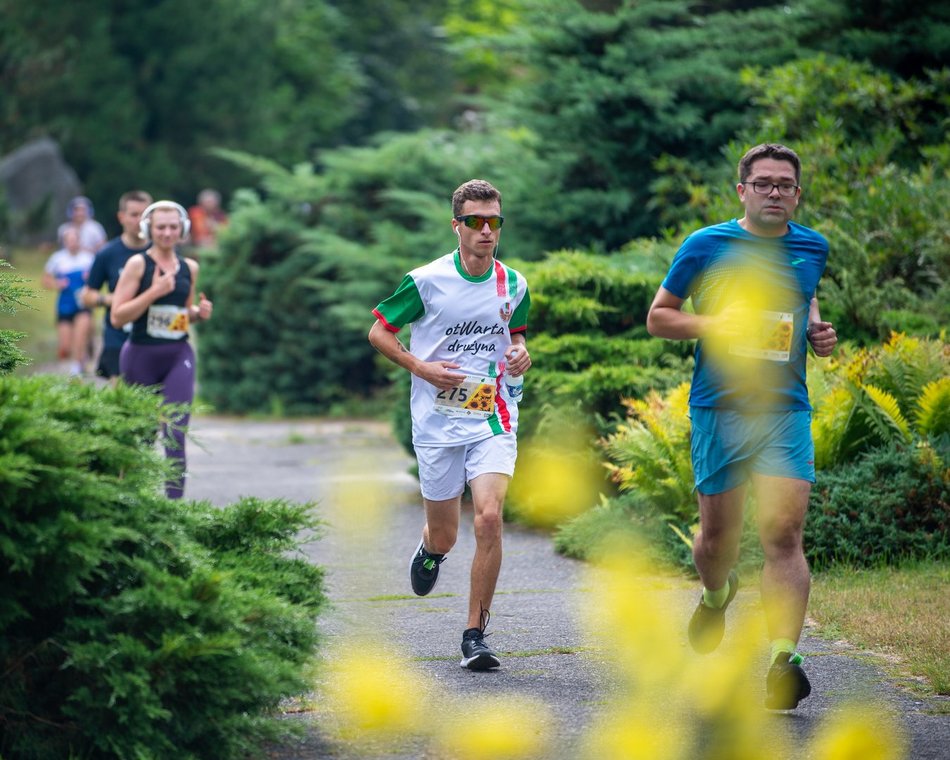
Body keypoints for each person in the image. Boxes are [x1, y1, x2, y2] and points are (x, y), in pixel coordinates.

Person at [646, 143, 838, 710]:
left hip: (784, 409)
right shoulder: (706, 244)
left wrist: (817, 332)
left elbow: (805, 302)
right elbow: (659, 317)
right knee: (718, 543)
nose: (775, 192)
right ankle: (714, 594)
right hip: (719, 409)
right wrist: (715, 324)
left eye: (785, 184)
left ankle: (783, 660)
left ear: (797, 194)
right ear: (743, 191)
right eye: (764, 183)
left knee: (783, 536)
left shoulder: (813, 247)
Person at [368, 179, 531, 671]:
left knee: (488, 517)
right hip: (438, 422)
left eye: (494, 222)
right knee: (446, 534)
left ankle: (475, 634)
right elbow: (379, 332)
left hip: (492, 415)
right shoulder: (426, 281)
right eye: (476, 222)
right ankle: (430, 550)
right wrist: (423, 368)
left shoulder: (514, 284)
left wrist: (522, 356)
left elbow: (517, 339)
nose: (486, 231)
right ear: (456, 224)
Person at [110, 200, 213, 499]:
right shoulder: (138, 265)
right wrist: (153, 292)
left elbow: (180, 312)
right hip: (140, 355)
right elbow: (118, 316)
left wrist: (197, 313)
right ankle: (135, 502)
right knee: (141, 436)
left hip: (177, 354)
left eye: (173, 227)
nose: (167, 233)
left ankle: (173, 509)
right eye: (161, 227)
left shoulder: (189, 267)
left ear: (182, 229)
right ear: (148, 229)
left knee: (175, 432)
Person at [80, 190, 154, 383]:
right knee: (120, 396)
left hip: (152, 337)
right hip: (117, 337)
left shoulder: (160, 252)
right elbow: (86, 296)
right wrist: (111, 299)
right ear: (121, 217)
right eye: (134, 214)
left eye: (145, 215)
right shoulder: (108, 254)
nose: (139, 220)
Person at [42, 227, 95, 375]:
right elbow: (45, 280)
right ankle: (82, 354)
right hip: (65, 305)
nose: (72, 243)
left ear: (79, 240)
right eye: (69, 240)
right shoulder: (57, 259)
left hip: (83, 304)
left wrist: (89, 278)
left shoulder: (88, 258)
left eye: (75, 239)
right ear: (64, 242)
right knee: (65, 347)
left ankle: (77, 370)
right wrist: (57, 284)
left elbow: (97, 281)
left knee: (79, 337)